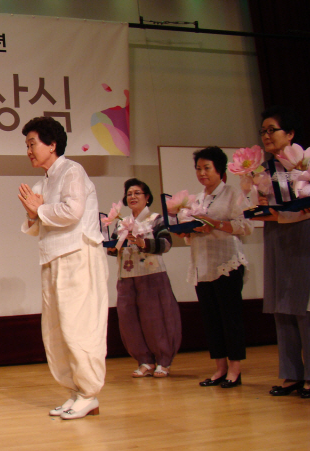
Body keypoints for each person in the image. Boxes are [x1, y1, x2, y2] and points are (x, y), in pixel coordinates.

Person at [18, 116, 108, 420]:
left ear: (52, 144)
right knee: (56, 330)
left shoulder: (72, 170)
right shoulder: (42, 183)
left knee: (78, 326)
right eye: (26, 145)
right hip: (52, 257)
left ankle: (89, 393)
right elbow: (37, 226)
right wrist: (34, 214)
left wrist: (40, 209)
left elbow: (73, 211)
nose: (28, 151)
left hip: (78, 255)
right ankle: (76, 392)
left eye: (32, 143)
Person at [251, 106, 310, 398]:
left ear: (290, 134)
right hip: (276, 235)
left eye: (272, 130)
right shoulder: (264, 170)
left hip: (303, 235)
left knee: (304, 307)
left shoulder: (306, 161)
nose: (266, 135)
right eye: (263, 131)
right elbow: (255, 208)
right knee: (280, 305)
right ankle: (291, 374)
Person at [181, 147, 253, 388]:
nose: (201, 173)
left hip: (226, 264)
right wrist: (188, 231)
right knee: (211, 320)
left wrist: (216, 224)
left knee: (230, 318)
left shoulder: (232, 193)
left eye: (207, 168)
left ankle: (235, 370)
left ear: (220, 170)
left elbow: (246, 226)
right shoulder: (196, 199)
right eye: (198, 168)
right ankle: (220, 368)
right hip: (202, 266)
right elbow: (193, 234)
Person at [106, 179, 181, 378]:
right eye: (129, 193)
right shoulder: (121, 222)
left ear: (147, 197)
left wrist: (143, 243)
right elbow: (114, 247)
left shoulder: (156, 219)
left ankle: (163, 361)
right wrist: (111, 248)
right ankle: (144, 361)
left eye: (137, 193)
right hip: (126, 277)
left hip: (152, 276)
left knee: (156, 319)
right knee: (129, 320)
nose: (132, 196)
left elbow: (166, 244)